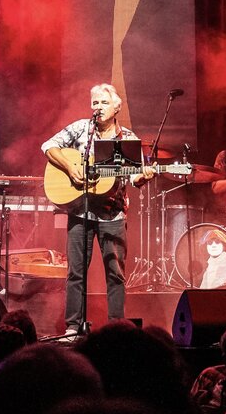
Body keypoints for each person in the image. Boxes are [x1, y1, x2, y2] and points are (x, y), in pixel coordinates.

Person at [41, 83, 153, 337]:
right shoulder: (82, 128)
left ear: (116, 107)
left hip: (112, 214)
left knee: (115, 272)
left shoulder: (128, 139)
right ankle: (73, 325)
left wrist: (144, 176)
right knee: (75, 272)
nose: (98, 108)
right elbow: (48, 146)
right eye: (94, 103)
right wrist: (71, 168)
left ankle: (116, 327)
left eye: (103, 103)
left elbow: (134, 178)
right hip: (81, 211)